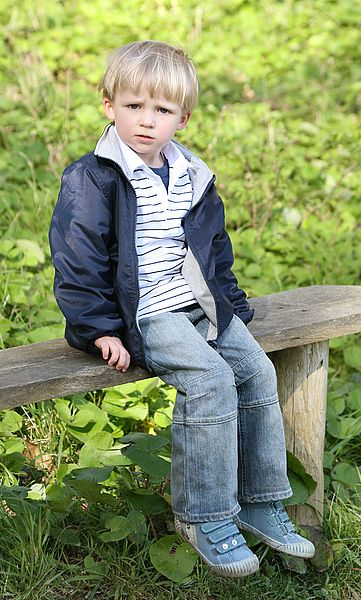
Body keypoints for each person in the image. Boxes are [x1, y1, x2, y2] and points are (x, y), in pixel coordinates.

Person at [49, 40, 314, 577]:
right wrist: (100, 329)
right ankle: (206, 515)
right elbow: (77, 260)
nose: (146, 121)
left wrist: (232, 308)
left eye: (162, 111)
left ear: (183, 118)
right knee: (212, 380)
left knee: (256, 370)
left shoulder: (192, 176)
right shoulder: (94, 177)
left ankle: (261, 500)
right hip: (148, 313)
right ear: (109, 105)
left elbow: (215, 249)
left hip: (201, 305)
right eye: (133, 106)